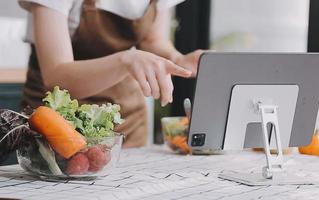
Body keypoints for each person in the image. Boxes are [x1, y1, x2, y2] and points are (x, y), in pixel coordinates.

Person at [18, 0, 203, 148]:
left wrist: (177, 60)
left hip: (127, 122)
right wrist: (126, 60)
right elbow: (57, 77)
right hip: (59, 126)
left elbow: (151, 40)